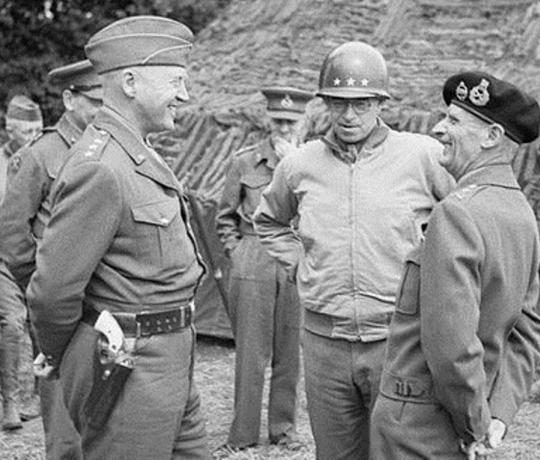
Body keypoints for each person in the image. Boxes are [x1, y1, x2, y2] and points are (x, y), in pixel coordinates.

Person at [253, 41, 455, 460]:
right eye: (338, 103)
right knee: (337, 454)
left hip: (397, 341)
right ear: (323, 103)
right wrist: (300, 264)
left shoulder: (423, 157)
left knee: (398, 452)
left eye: (362, 104)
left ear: (381, 103)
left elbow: (468, 220)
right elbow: (269, 221)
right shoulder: (299, 164)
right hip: (325, 342)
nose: (348, 116)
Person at [26, 16, 211, 459]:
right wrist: (65, 359)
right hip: (127, 362)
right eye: (175, 81)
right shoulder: (100, 167)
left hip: (170, 356)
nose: (184, 95)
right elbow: (52, 291)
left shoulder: (136, 153)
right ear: (130, 82)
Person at [370, 71, 540, 459]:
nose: (438, 128)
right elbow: (527, 331)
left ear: (492, 137)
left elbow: (451, 344)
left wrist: (474, 425)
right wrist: (497, 415)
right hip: (462, 418)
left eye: (453, 121)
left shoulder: (456, 213)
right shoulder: (521, 214)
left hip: (420, 425)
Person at [0, 59, 102, 458]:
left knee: (104, 407)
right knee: (62, 417)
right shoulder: (39, 155)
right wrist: (41, 285)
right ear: (68, 99)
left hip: (104, 298)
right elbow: (11, 235)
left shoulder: (108, 148)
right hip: (58, 303)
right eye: (94, 100)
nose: (101, 109)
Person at [214, 86, 312, 456]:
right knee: (251, 353)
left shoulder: (314, 161)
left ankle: (283, 430)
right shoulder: (245, 161)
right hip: (253, 256)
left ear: (304, 121)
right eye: (279, 120)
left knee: (291, 351)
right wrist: (238, 252)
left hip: (297, 257)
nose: (285, 127)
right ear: (268, 121)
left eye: (292, 120)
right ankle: (242, 435)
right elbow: (224, 215)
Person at [0, 94, 42, 430]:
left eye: (38, 131)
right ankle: (10, 402)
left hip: (39, 256)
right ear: (9, 130)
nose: (33, 138)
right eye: (26, 133)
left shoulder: (44, 161)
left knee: (45, 319)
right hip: (2, 260)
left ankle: (43, 394)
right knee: (12, 322)